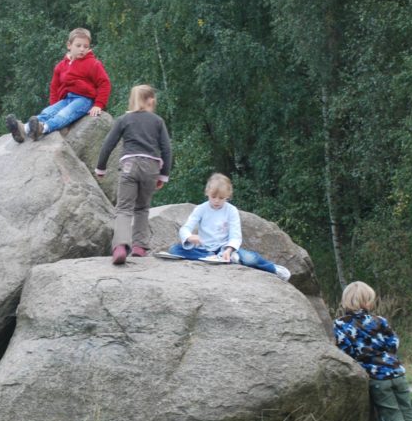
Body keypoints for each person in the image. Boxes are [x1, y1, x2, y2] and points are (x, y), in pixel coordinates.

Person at [334, 281, 412, 421]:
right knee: (409, 414)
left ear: (345, 301)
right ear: (368, 301)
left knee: (393, 418)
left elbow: (346, 351)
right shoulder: (380, 320)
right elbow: (394, 344)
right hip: (397, 373)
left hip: (376, 378)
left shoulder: (341, 325)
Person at [95, 84, 173, 265]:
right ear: (151, 100)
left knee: (123, 208)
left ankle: (121, 246)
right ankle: (139, 247)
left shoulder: (124, 119)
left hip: (129, 165)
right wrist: (163, 175)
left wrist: (101, 168)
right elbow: (167, 149)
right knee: (142, 208)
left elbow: (108, 143)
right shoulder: (157, 121)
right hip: (151, 167)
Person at [163, 173, 291, 280]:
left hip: (224, 249)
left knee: (248, 258)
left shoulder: (231, 210)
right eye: (213, 197)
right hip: (204, 249)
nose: (217, 201)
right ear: (207, 192)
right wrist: (190, 237)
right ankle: (212, 258)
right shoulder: (201, 209)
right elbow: (185, 228)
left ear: (228, 196)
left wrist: (229, 250)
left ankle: (273, 268)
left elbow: (235, 235)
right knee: (175, 249)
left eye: (221, 198)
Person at [6, 27, 112, 142]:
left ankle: (43, 128)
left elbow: (104, 83)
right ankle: (23, 129)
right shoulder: (61, 66)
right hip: (67, 98)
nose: (82, 49)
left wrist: (98, 104)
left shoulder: (93, 64)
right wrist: (54, 107)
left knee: (65, 113)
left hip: (84, 99)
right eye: (78, 45)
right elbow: (54, 88)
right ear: (69, 45)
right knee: (48, 112)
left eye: (85, 46)